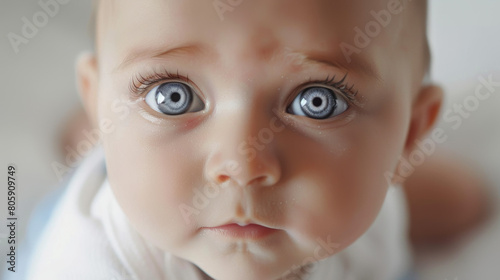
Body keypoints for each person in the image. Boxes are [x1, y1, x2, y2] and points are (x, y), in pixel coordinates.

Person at [21, 0, 488, 279]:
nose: (242, 164)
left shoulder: (362, 220)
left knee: (463, 202)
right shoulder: (82, 263)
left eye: (317, 101)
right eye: (173, 96)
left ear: (411, 132)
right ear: (98, 98)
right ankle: (92, 140)